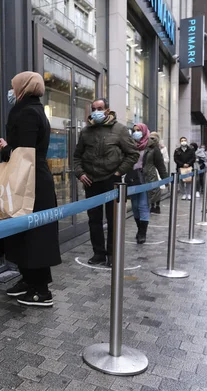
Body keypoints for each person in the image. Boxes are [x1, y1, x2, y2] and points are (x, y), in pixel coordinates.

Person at [0, 71, 61, 307]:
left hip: (30, 182)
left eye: (14, 86)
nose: (11, 91)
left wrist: (5, 148)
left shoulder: (28, 113)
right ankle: (29, 280)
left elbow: (24, 152)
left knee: (33, 235)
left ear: (23, 87)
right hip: (31, 179)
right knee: (27, 234)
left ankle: (41, 290)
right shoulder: (33, 110)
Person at [73, 98, 139, 267]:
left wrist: (118, 172)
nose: (96, 111)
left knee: (113, 220)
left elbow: (132, 154)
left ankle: (112, 254)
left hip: (112, 182)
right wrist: (80, 174)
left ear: (107, 110)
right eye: (94, 108)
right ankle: (98, 254)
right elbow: (76, 157)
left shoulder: (120, 130)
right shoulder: (86, 132)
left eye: (100, 108)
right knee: (94, 220)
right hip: (91, 182)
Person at [146, 132, 169, 214]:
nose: (153, 138)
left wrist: (161, 159)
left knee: (158, 189)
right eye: (151, 136)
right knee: (151, 189)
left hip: (157, 171)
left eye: (154, 137)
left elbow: (166, 159)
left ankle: (157, 205)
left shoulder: (162, 147)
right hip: (151, 171)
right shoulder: (147, 146)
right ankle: (152, 205)